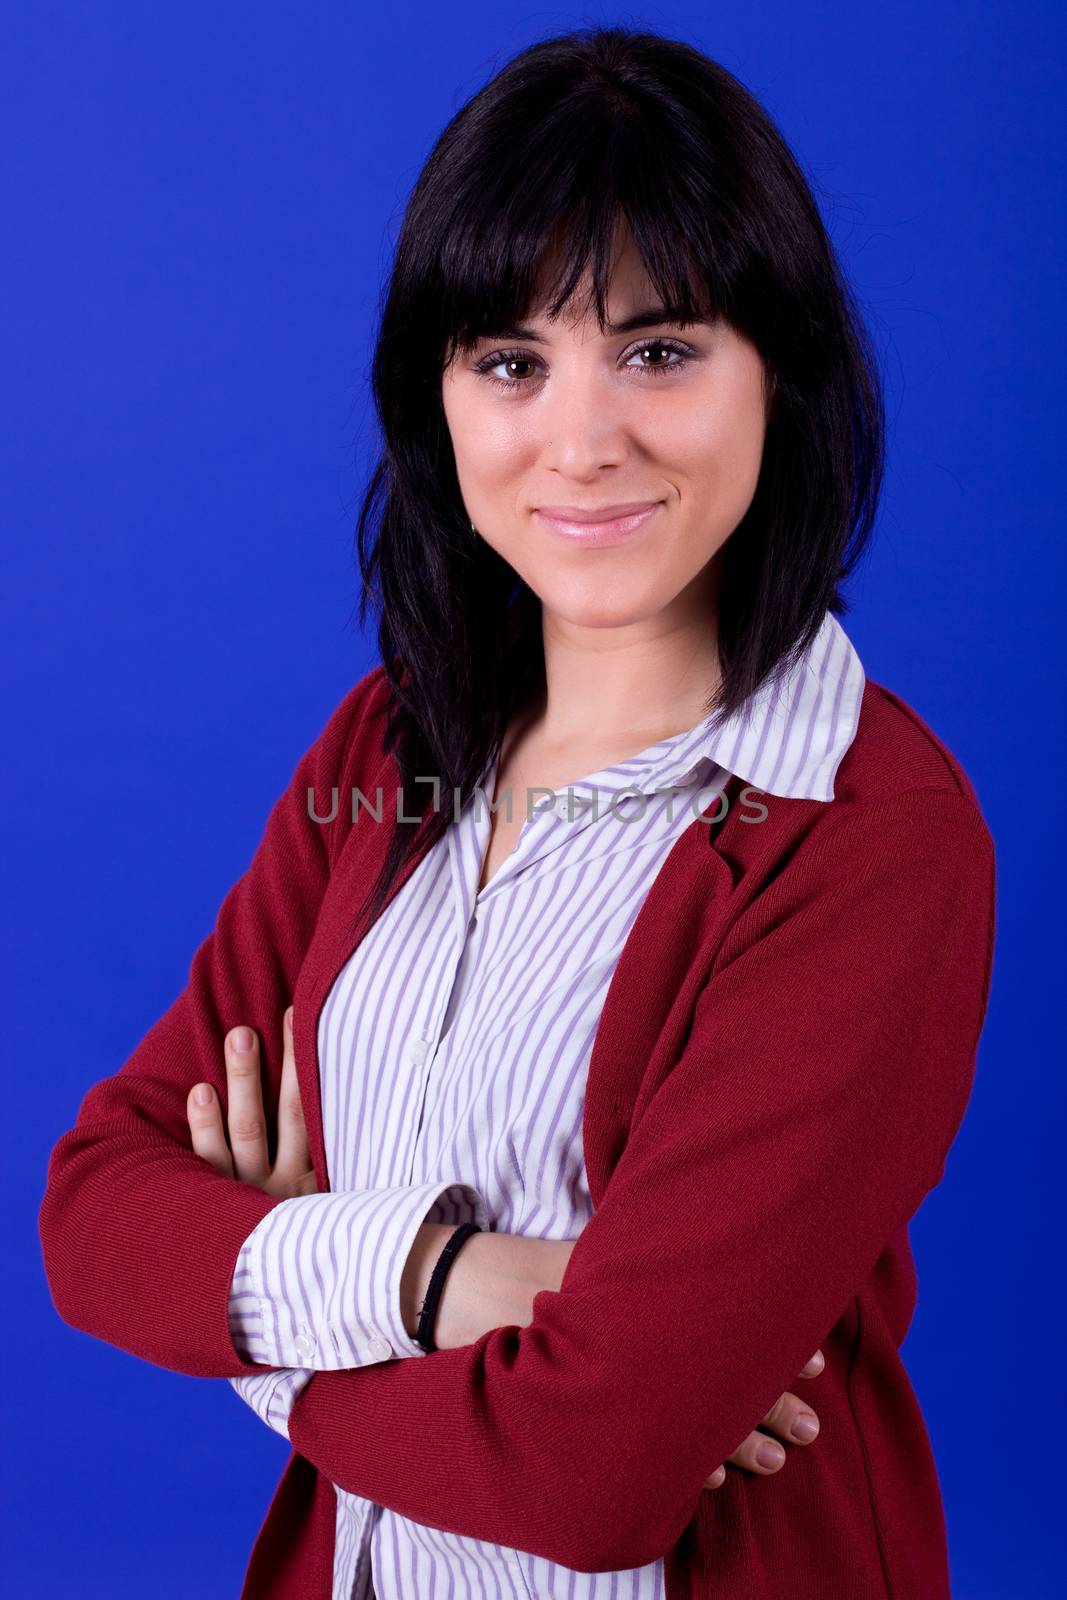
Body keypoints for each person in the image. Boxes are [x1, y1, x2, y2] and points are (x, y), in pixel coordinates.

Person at [39, 25, 996, 1600]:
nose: (582, 438)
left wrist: (256, 1323)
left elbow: (597, 1468)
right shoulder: (388, 753)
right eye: (511, 361)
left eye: (661, 348)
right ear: (439, 399)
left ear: (784, 370)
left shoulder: (868, 832)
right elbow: (97, 1211)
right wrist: (454, 1279)